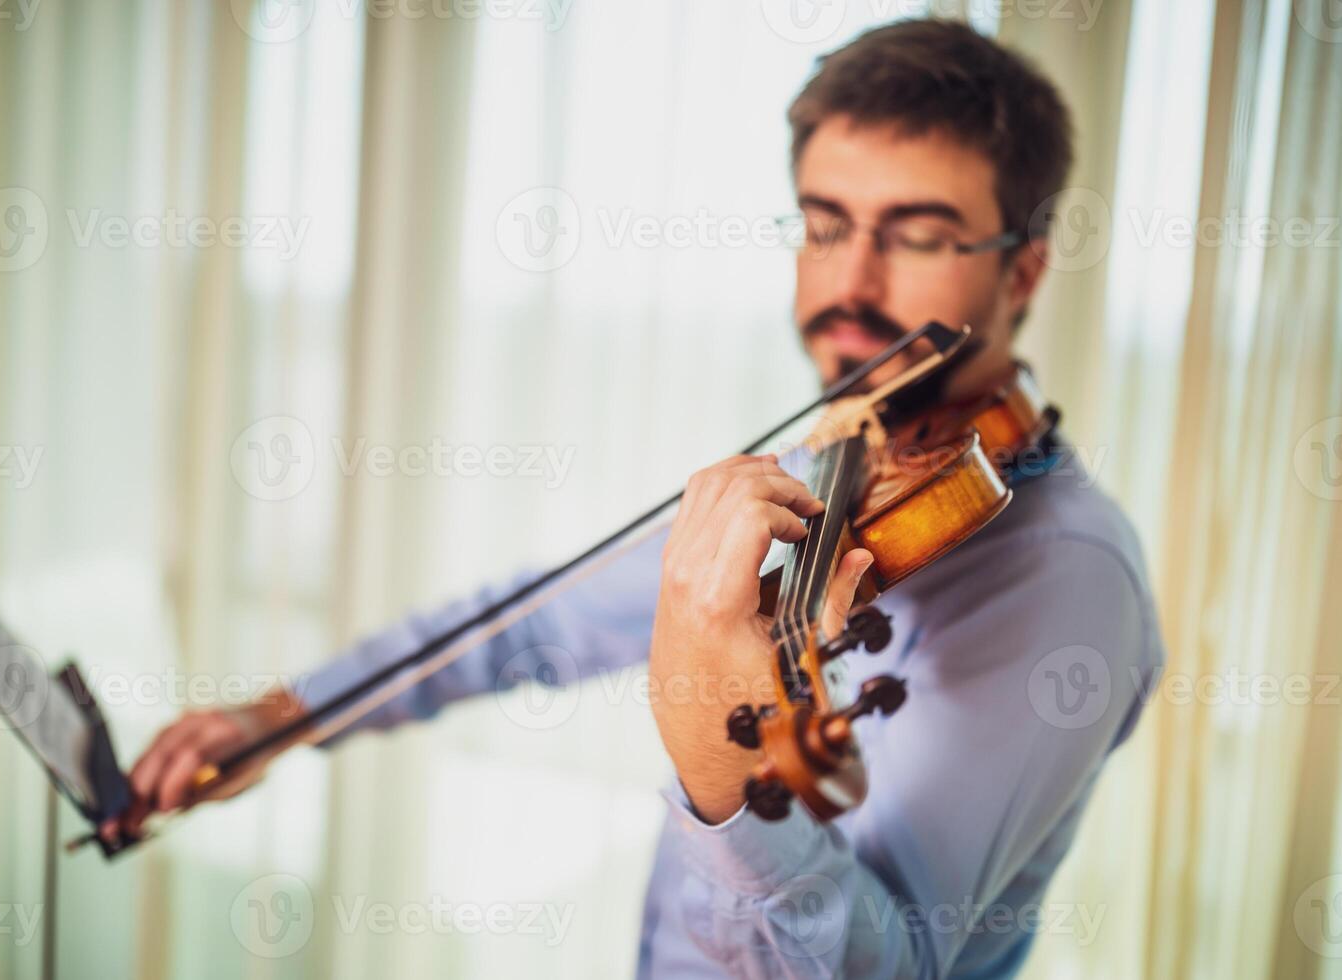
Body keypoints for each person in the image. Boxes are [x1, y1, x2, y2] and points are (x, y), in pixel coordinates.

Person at [103, 19, 1165, 978]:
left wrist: (720, 765)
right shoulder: (846, 455)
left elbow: (886, 966)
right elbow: (534, 623)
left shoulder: (1068, 578)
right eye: (826, 222)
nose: (854, 280)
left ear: (1021, 273)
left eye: (921, 234)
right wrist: (281, 715)